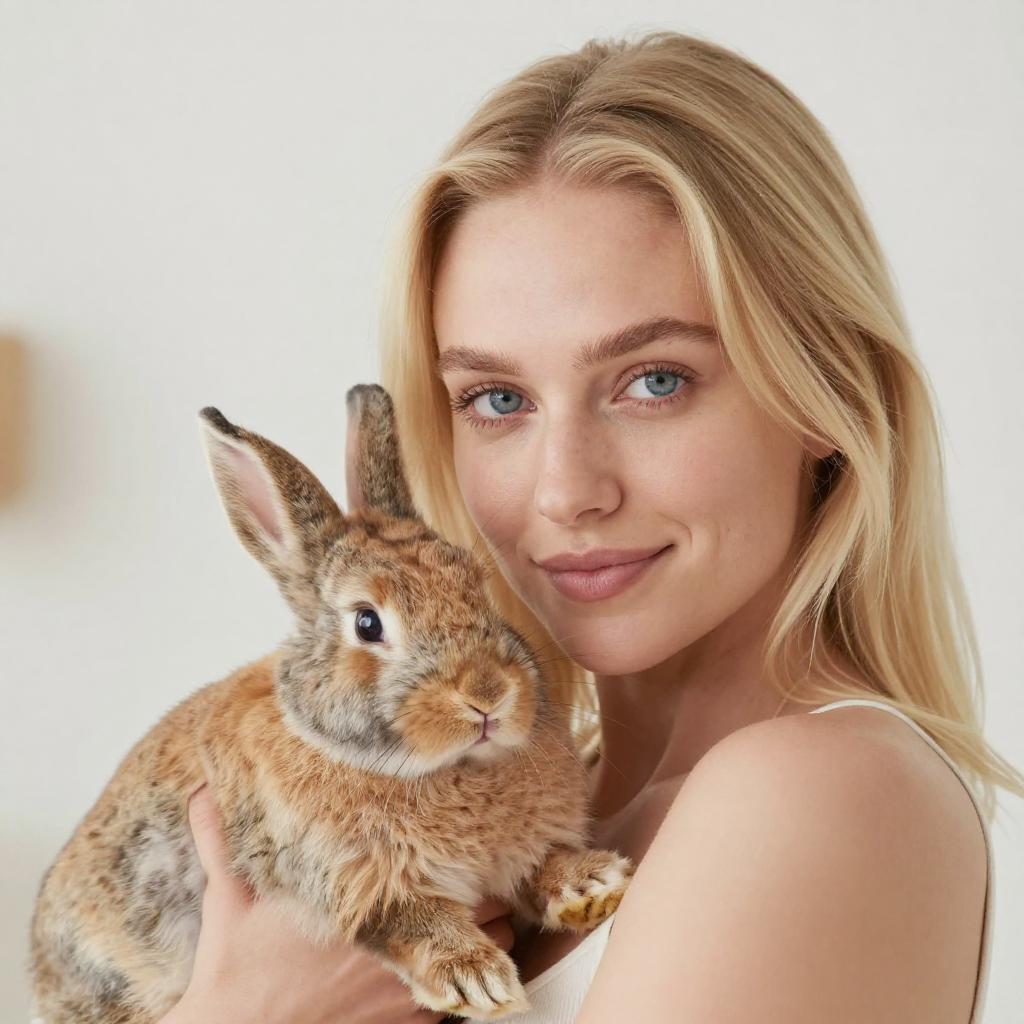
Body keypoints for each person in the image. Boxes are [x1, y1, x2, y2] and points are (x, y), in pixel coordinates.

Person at [159, 30, 1023, 1024]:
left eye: (653, 381)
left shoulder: (815, 793)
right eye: (495, 399)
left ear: (822, 392)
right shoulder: (541, 822)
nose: (567, 491)